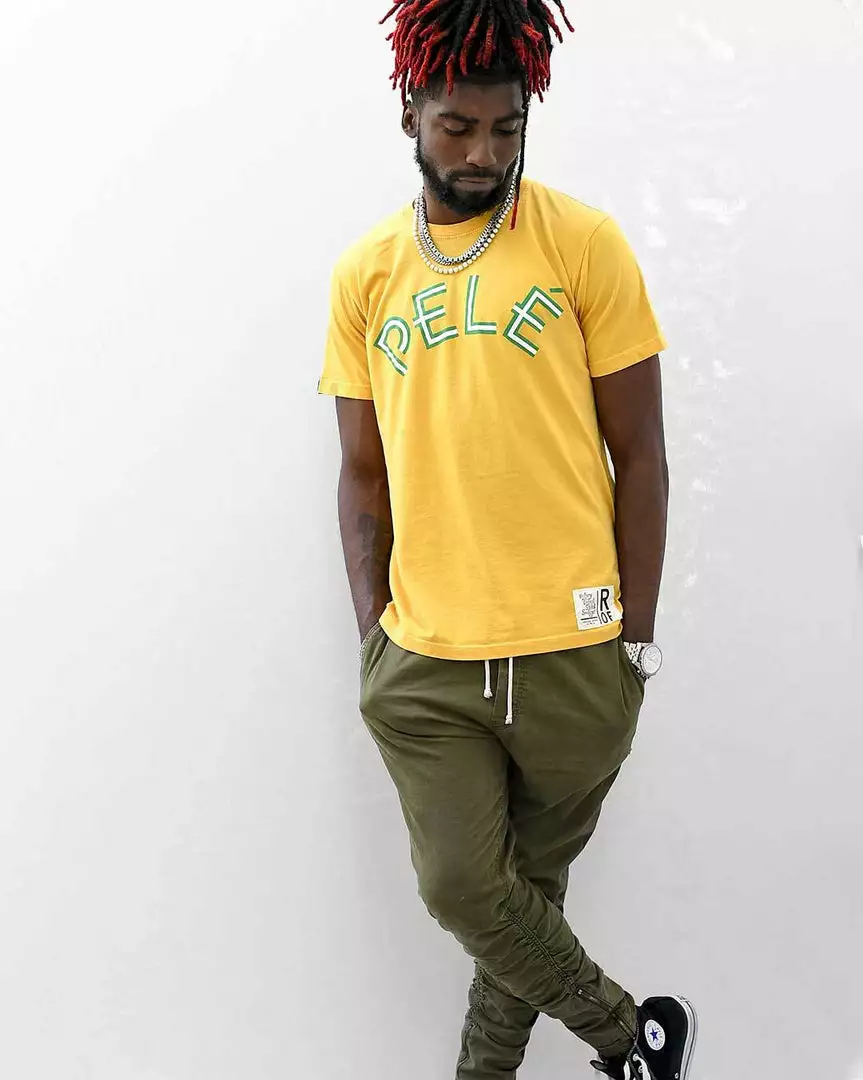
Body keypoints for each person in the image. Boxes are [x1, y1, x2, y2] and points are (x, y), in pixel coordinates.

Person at [317, 2, 698, 1077]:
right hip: (426, 656)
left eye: (504, 128)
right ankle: (630, 1035)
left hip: (573, 650)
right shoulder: (365, 274)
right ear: (410, 112)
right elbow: (361, 474)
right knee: (462, 887)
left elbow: (642, 456)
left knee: (521, 905)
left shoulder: (583, 243)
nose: (481, 153)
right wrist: (373, 640)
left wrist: (633, 642)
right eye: (456, 128)